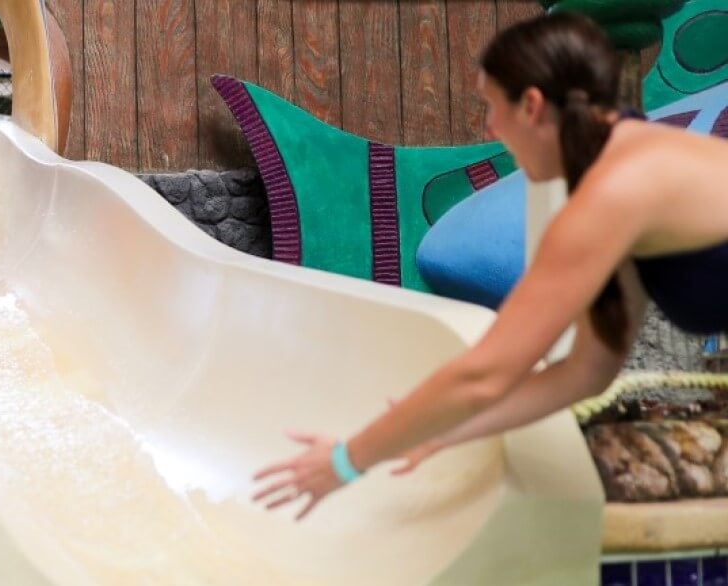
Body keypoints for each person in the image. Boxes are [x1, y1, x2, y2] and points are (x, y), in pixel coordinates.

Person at [253, 12, 728, 520]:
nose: (489, 128)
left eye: (490, 107)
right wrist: (443, 432)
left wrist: (346, 461)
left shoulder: (611, 194)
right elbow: (586, 372)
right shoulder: (628, 166)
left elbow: (485, 373)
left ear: (532, 106)